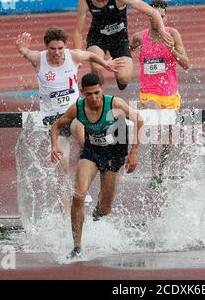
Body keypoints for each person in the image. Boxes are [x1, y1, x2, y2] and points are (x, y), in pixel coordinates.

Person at [16, 27, 124, 208]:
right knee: (62, 167)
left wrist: (106, 64)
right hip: (53, 119)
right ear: (46, 47)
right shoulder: (39, 59)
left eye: (60, 48)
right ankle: (67, 215)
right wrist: (22, 49)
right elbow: (26, 52)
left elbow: (90, 55)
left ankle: (86, 183)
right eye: (53, 49)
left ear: (64, 47)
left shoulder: (73, 56)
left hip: (74, 112)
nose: (57, 53)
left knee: (85, 141)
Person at [50, 73, 143, 259]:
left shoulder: (115, 104)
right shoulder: (77, 108)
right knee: (79, 196)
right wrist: (54, 145)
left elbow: (139, 120)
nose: (94, 98)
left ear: (102, 89)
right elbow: (56, 125)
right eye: (89, 94)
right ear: (83, 92)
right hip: (92, 152)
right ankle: (77, 246)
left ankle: (96, 215)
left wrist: (133, 153)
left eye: (97, 93)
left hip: (114, 155)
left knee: (105, 208)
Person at [130, 0, 190, 189]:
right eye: (155, 16)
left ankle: (160, 171)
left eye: (162, 16)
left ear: (166, 16)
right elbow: (124, 50)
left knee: (167, 139)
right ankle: (154, 173)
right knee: (157, 128)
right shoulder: (140, 37)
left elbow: (186, 64)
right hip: (149, 94)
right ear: (149, 16)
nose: (158, 20)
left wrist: (172, 48)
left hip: (170, 95)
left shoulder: (172, 34)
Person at [74, 0, 174, 90]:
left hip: (119, 39)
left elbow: (153, 12)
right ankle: (98, 94)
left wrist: (162, 31)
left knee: (124, 78)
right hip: (98, 37)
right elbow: (78, 31)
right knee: (96, 67)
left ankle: (120, 78)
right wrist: (77, 55)